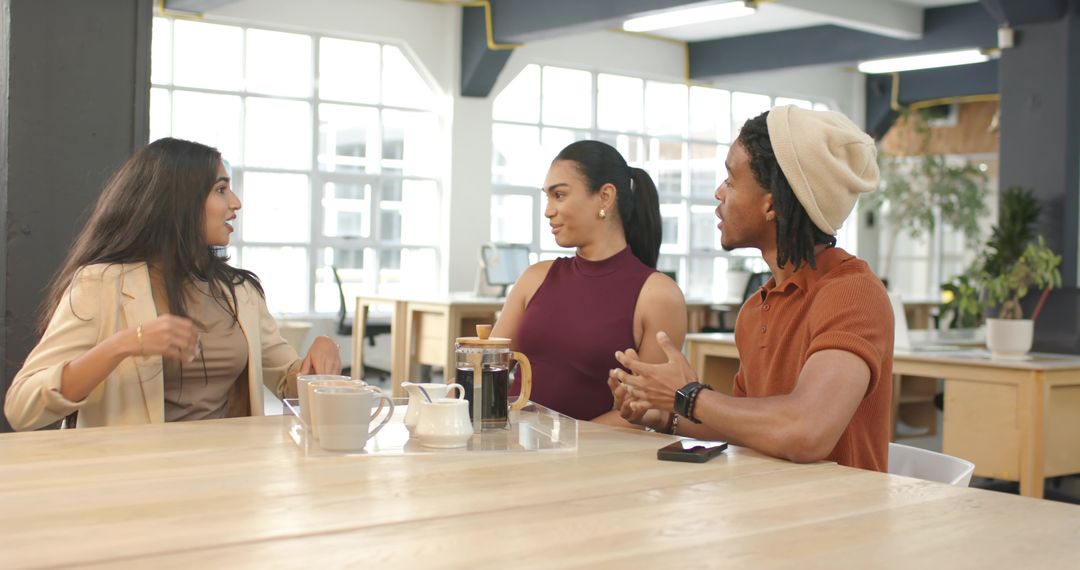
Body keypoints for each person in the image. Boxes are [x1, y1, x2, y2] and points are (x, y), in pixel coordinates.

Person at [610, 106, 893, 471]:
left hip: (837, 521)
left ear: (771, 202)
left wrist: (689, 396)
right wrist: (662, 412)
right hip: (768, 510)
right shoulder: (757, 308)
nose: (718, 192)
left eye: (730, 179)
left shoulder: (851, 292)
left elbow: (806, 431)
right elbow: (751, 428)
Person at [5, 138, 341, 430]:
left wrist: (321, 352)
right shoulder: (101, 284)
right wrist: (124, 344)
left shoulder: (241, 293)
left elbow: (288, 381)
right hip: (135, 483)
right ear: (179, 201)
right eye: (221, 190)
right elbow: (23, 407)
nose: (235, 203)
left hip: (232, 476)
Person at [491, 140, 687, 425]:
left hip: (591, 461)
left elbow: (654, 409)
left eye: (559, 195)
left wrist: (561, 447)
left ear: (605, 196)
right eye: (547, 197)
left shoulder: (657, 295)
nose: (548, 210)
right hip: (513, 450)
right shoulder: (534, 278)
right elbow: (486, 368)